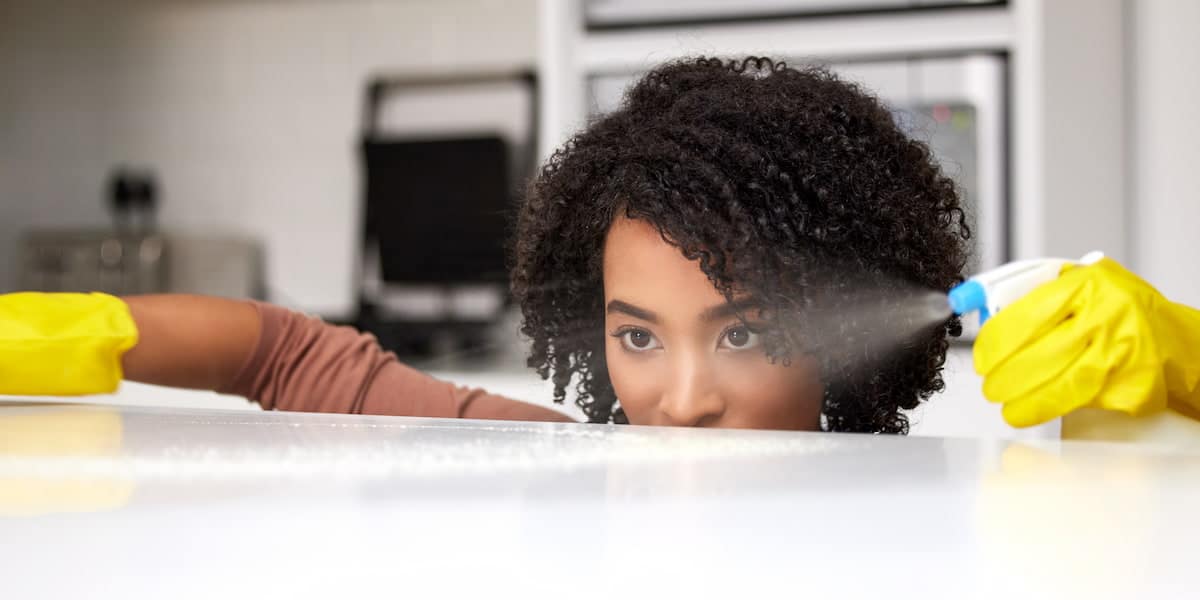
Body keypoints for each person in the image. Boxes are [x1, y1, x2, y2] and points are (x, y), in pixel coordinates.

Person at [4, 56, 979, 433]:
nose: (680, 405)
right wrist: (76, 330)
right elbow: (282, 353)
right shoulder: (557, 464)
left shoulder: (939, 511)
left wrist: (1133, 400)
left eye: (743, 335)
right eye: (638, 337)